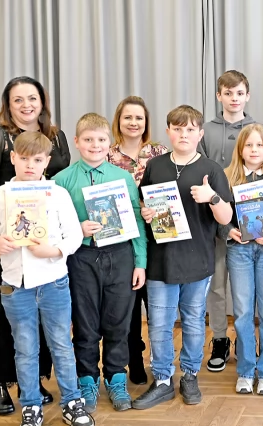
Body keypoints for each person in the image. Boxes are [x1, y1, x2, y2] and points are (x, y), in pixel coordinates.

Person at [0, 131, 94, 426]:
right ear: (13, 158)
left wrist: (53, 250)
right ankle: (30, 406)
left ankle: (72, 401)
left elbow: (73, 236)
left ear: (47, 162)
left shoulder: (57, 194)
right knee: (25, 348)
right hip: (15, 287)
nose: (30, 165)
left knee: (61, 344)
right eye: (24, 158)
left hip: (54, 282)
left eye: (38, 159)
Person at [0, 75, 70, 415]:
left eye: (32, 98)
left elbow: (60, 184)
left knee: (43, 311)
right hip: (9, 246)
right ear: (8, 106)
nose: (26, 105)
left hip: (46, 245)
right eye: (18, 100)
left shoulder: (56, 137)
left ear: (42, 102)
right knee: (7, 311)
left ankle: (32, 381)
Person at [133, 105, 234, 410]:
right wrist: (145, 212)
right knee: (160, 324)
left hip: (197, 261)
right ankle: (163, 380)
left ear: (200, 134)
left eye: (190, 129)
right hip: (161, 260)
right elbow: (143, 205)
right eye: (177, 129)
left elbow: (226, 217)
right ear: (168, 132)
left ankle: (190, 375)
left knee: (192, 322)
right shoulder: (155, 166)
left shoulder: (212, 170)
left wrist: (211, 197)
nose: (183, 134)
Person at [52, 113, 147, 413]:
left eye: (101, 139)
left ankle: (116, 378)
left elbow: (136, 220)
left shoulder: (122, 178)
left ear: (110, 143)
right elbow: (51, 226)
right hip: (81, 258)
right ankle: (87, 379)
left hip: (120, 256)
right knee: (85, 323)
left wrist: (140, 262)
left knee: (118, 322)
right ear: (77, 142)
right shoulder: (61, 181)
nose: (95, 145)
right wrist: (77, 230)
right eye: (88, 139)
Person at [220, 124, 263, 395]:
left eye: (259, 145)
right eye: (248, 145)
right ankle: (246, 370)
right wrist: (229, 231)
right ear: (240, 149)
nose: (254, 150)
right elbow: (216, 217)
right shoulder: (227, 177)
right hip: (239, 251)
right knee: (242, 313)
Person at [107, 95, 169, 386]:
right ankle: (134, 358)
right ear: (118, 121)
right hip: (121, 241)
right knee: (128, 305)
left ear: (146, 122)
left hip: (158, 238)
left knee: (156, 304)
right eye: (128, 117)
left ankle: (160, 361)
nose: (133, 122)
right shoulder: (106, 155)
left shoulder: (160, 153)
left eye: (139, 118)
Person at [200, 70, 257, 373]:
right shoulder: (206, 130)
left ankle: (246, 339)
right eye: (228, 93)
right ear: (219, 96)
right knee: (218, 284)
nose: (234, 99)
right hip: (214, 217)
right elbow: (199, 172)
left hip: (249, 214)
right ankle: (220, 338)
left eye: (239, 93)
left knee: (247, 286)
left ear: (247, 96)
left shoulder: (257, 129)